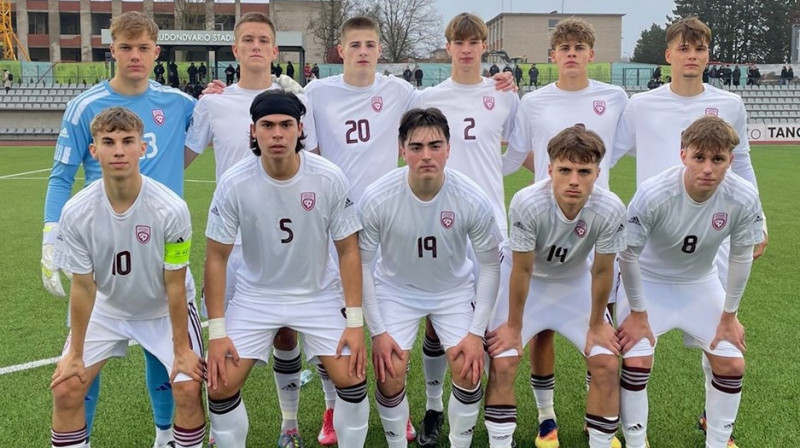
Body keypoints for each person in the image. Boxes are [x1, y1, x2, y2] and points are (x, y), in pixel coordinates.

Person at [303, 15, 515, 445]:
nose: (363, 50)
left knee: (463, 348)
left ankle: (439, 413)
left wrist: (502, 82)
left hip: (417, 228)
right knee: (338, 329)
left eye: (370, 43)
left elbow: (443, 114)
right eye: (355, 43)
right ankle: (334, 408)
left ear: (380, 49)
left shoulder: (402, 92)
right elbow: (302, 148)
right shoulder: (315, 93)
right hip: (344, 227)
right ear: (340, 50)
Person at [42, 11, 196, 447]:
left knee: (162, 353)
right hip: (103, 244)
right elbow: (60, 177)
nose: (134, 56)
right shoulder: (85, 106)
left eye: (143, 48)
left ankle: (164, 436)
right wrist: (51, 236)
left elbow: (217, 126)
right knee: (76, 369)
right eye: (126, 47)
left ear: (156, 52)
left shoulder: (180, 103)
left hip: (161, 239)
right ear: (112, 50)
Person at [611, 17, 767, 448]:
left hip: (711, 233)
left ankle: (713, 420)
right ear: (669, 55)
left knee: (721, 335)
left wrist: (759, 222)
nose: (692, 56)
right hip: (653, 235)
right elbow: (609, 158)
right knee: (634, 346)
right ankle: (611, 418)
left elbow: (743, 163)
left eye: (699, 49)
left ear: (707, 55)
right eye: (684, 48)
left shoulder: (729, 102)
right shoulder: (641, 105)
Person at [203, 89, 369, 448]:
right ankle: (277, 428)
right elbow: (215, 257)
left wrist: (355, 323)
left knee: (351, 374)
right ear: (253, 131)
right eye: (267, 125)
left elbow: (348, 250)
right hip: (256, 295)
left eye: (285, 125)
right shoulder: (234, 182)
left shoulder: (327, 177)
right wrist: (217, 332)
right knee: (219, 381)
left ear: (299, 129)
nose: (277, 133)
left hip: (317, 293)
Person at [184, 12, 316, 447]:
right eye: (248, 40)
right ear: (235, 50)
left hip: (284, 242)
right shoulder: (213, 103)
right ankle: (222, 431)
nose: (256, 46)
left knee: (285, 331)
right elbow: (179, 158)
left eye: (264, 40)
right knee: (222, 348)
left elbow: (310, 167)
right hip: (231, 244)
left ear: (275, 50)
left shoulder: (295, 101)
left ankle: (290, 423)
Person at [501, 19, 629, 447]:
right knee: (542, 333)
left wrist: (585, 187)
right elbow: (519, 154)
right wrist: (552, 183)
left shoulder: (614, 97)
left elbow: (620, 149)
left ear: (592, 54)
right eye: (564, 47)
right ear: (552, 55)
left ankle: (600, 424)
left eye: (579, 46)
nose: (571, 53)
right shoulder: (533, 101)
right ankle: (546, 417)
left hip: (596, 227)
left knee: (600, 325)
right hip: (544, 220)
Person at [360, 107, 503, 448]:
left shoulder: (472, 198)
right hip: (397, 290)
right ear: (401, 149)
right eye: (416, 147)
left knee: (469, 369)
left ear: (449, 148)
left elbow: (491, 267)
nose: (426, 156)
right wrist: (377, 332)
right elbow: (361, 266)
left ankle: (457, 442)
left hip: (452, 290)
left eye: (435, 146)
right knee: (389, 370)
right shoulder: (378, 197)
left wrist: (474, 332)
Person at [413, 12, 519, 446]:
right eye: (459, 41)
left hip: (490, 224)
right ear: (449, 46)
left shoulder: (505, 95)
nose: (467, 48)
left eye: (474, 41)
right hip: (440, 224)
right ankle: (435, 407)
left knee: (491, 323)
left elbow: (520, 151)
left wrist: (491, 176)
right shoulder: (427, 97)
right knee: (439, 322)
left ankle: (492, 417)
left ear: (483, 46)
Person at [485, 124, 626, 448]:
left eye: (584, 171)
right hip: (527, 282)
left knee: (605, 360)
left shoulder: (610, 207)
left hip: (573, 281)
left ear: (597, 172)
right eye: (565, 170)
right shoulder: (528, 202)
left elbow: (604, 270)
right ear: (549, 170)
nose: (574, 180)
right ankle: (540, 418)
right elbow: (521, 269)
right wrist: (513, 327)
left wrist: (595, 324)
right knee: (504, 359)